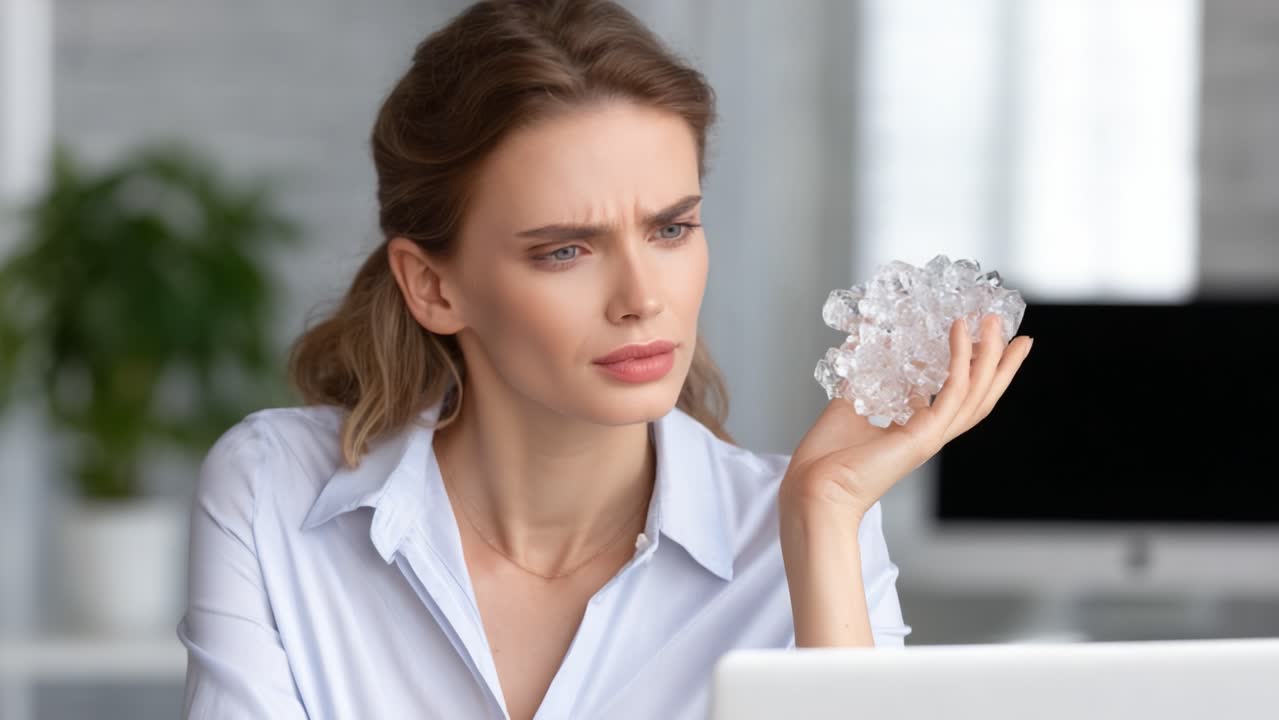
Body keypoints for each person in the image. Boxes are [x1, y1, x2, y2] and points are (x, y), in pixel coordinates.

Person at [176, 1, 1033, 718]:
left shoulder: (811, 538)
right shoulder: (274, 493)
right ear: (433, 286)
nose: (641, 297)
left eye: (671, 229)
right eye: (564, 251)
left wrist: (823, 514)